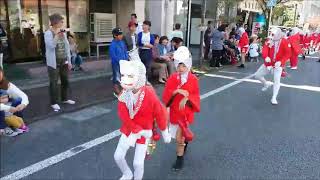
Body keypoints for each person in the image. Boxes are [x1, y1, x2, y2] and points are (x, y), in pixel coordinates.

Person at [114, 59, 171, 180]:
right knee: (118, 156)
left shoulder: (149, 94)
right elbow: (122, 113)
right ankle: (127, 174)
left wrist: (164, 131)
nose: (124, 79)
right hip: (129, 129)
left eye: (129, 76)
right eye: (123, 75)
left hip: (145, 131)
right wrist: (134, 128)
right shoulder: (125, 93)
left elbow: (160, 112)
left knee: (138, 163)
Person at [163, 46, 200, 171]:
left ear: (188, 65)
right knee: (179, 136)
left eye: (183, 66)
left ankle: (180, 158)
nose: (181, 68)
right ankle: (184, 142)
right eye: (178, 65)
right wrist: (176, 91)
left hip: (186, 112)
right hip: (175, 111)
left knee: (179, 138)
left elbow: (195, 95)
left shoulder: (193, 79)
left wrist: (187, 98)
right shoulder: (173, 78)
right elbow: (166, 95)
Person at [44, 13, 75, 112]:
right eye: (61, 21)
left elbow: (67, 47)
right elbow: (51, 46)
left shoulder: (63, 33)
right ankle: (54, 102)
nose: (62, 23)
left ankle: (65, 99)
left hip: (64, 60)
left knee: (65, 80)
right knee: (54, 83)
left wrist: (69, 61)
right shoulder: (48, 33)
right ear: (55, 22)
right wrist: (57, 35)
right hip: (53, 63)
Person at [254, 27, 291, 105]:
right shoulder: (269, 40)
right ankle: (266, 83)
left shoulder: (285, 41)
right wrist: (266, 56)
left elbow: (288, 54)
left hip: (278, 65)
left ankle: (274, 97)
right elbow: (265, 49)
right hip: (268, 64)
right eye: (271, 33)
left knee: (277, 81)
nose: (271, 35)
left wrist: (281, 62)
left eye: (273, 34)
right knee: (257, 75)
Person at [0, 67, 29, 136]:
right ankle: (3, 127)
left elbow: (23, 95)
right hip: (2, 108)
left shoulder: (6, 84)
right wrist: (8, 108)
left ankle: (18, 125)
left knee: (19, 100)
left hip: (6, 107)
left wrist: (23, 104)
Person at [109, 27, 128, 97]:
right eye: (119, 35)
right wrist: (120, 61)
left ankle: (123, 89)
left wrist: (126, 59)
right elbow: (113, 56)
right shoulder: (112, 45)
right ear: (115, 35)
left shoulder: (122, 42)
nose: (121, 36)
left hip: (124, 63)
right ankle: (117, 91)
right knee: (116, 77)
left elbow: (125, 51)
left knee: (123, 77)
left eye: (121, 34)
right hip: (116, 64)